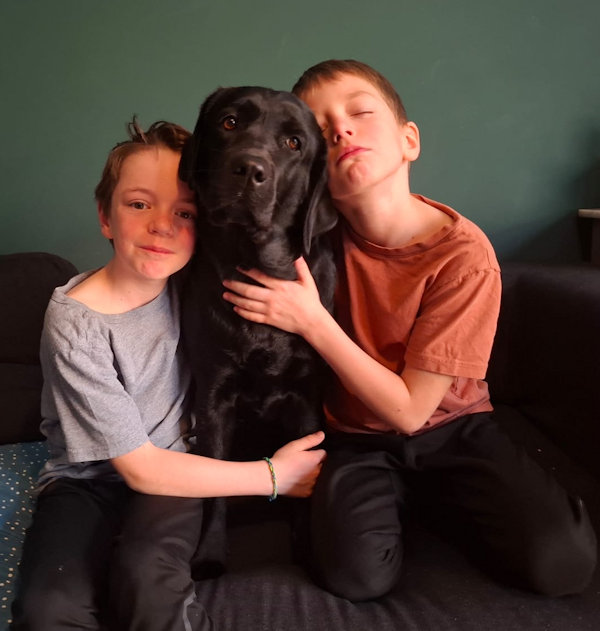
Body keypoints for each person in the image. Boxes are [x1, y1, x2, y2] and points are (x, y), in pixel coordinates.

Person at [222, 59, 597, 601]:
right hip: (356, 437)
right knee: (354, 576)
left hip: (453, 427)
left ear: (409, 141)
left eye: (359, 113)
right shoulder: (310, 242)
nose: (341, 129)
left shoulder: (463, 255)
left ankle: (431, 496)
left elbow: (411, 411)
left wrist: (311, 319)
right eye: (321, 129)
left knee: (564, 563)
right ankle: (393, 500)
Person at [11, 118, 325, 630]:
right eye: (139, 204)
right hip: (87, 481)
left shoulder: (197, 287)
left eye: (185, 212)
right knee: (48, 609)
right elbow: (139, 468)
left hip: (178, 469)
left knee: (147, 585)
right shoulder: (75, 321)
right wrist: (273, 476)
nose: (163, 225)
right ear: (105, 217)